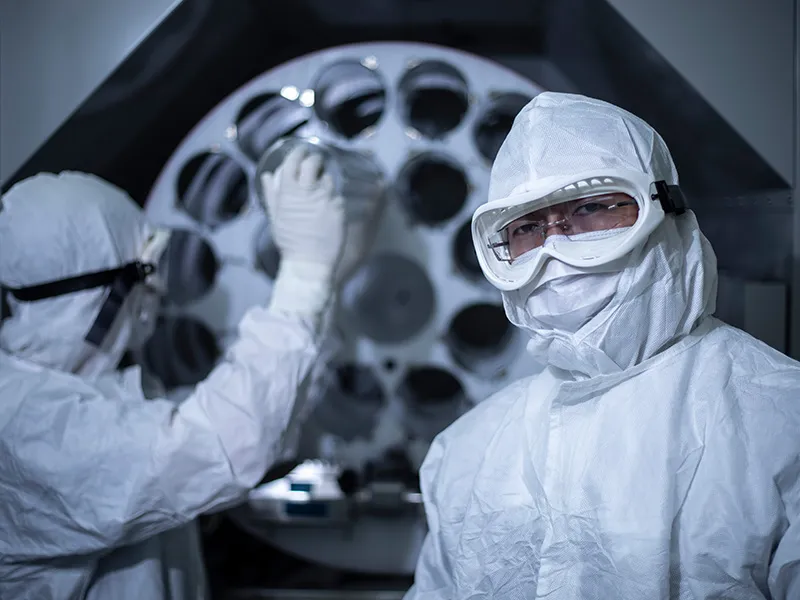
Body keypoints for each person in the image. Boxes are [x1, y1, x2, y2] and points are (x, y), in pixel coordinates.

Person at [406, 92, 800, 599]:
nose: (555, 245)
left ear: (667, 211)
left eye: (591, 207)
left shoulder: (782, 423)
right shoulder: (466, 451)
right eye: (526, 227)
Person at [0, 147, 371, 599]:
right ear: (103, 291)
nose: (158, 290)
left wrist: (325, 290)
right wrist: (304, 278)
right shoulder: (25, 426)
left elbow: (259, 428)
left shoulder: (92, 392)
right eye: (150, 267)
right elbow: (220, 445)